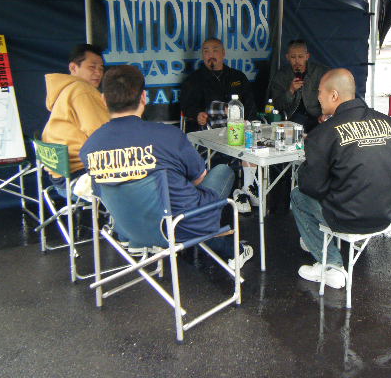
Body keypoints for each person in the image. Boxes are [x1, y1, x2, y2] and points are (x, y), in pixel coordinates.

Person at [80, 65, 253, 267]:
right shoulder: (168, 136)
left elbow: (102, 193)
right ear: (144, 97)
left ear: (103, 100)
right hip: (180, 226)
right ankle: (231, 248)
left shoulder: (89, 147)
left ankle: (213, 238)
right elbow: (199, 178)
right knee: (223, 171)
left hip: (126, 228)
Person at [291, 69, 391, 289]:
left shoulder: (323, 134)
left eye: (319, 92)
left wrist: (307, 171)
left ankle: (332, 266)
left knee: (297, 196)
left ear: (334, 95)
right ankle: (317, 244)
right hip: (386, 213)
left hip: (346, 219)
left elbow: (311, 186)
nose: (318, 98)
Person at [180, 37, 259, 211]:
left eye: (215, 50)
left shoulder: (237, 76)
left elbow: (250, 104)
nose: (211, 55)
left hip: (239, 128)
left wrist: (250, 123)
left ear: (223, 53)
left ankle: (248, 188)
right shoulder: (194, 79)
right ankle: (236, 192)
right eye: (206, 51)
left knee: (250, 140)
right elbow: (186, 106)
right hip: (211, 131)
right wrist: (197, 114)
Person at [42, 44, 110, 196]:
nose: (98, 73)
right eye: (92, 67)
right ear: (73, 67)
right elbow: (103, 134)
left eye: (101, 68)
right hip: (81, 176)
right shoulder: (82, 90)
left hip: (61, 177)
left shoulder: (65, 89)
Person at [269, 39, 330, 131]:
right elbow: (277, 105)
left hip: (317, 117)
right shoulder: (281, 76)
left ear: (307, 56)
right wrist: (291, 91)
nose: (297, 61)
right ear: (287, 57)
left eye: (300, 57)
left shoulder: (320, 72)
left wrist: (325, 114)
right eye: (293, 57)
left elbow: (331, 96)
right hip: (292, 118)